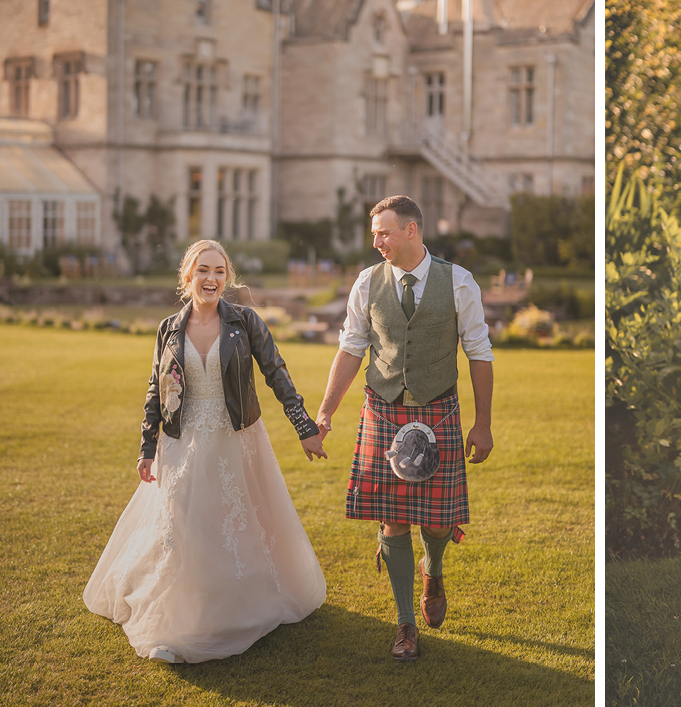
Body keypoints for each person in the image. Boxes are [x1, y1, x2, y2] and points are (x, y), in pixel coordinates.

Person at [83, 239, 326, 664]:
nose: (211, 279)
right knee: (182, 525)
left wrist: (304, 427)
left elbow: (276, 372)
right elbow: (155, 390)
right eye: (203, 271)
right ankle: (180, 614)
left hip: (237, 437)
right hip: (181, 441)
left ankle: (241, 599)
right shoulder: (169, 329)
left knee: (233, 522)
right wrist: (146, 445)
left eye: (218, 271)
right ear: (187, 277)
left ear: (227, 277)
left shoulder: (246, 322)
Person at [306, 195, 494, 661]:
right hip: (385, 410)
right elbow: (351, 348)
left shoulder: (458, 282)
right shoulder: (367, 284)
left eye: (384, 233)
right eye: (374, 234)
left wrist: (483, 423)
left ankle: (434, 566)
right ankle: (405, 623)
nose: (377, 243)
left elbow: (479, 352)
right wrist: (326, 411)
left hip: (439, 411)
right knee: (394, 519)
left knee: (437, 520)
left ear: (412, 230)